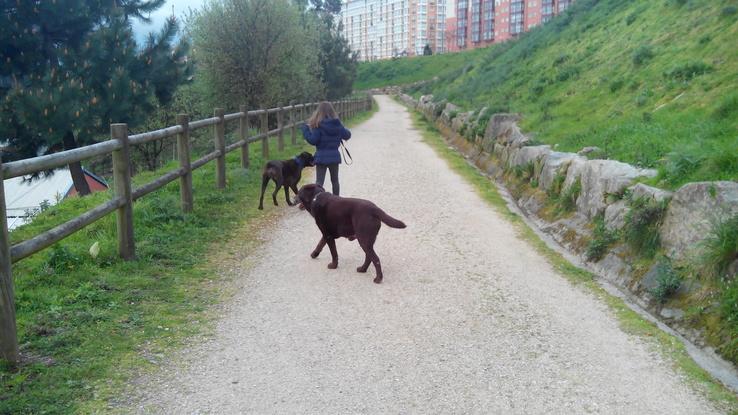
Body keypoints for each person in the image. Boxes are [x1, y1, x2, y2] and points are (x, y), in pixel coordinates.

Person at [300, 101, 351, 196]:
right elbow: (347, 135)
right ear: (332, 111)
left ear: (319, 111)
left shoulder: (318, 125)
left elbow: (313, 140)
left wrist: (305, 130)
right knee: (335, 181)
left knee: (319, 182)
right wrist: (342, 127)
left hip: (321, 157)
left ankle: (316, 201)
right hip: (334, 157)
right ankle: (337, 201)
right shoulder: (337, 124)